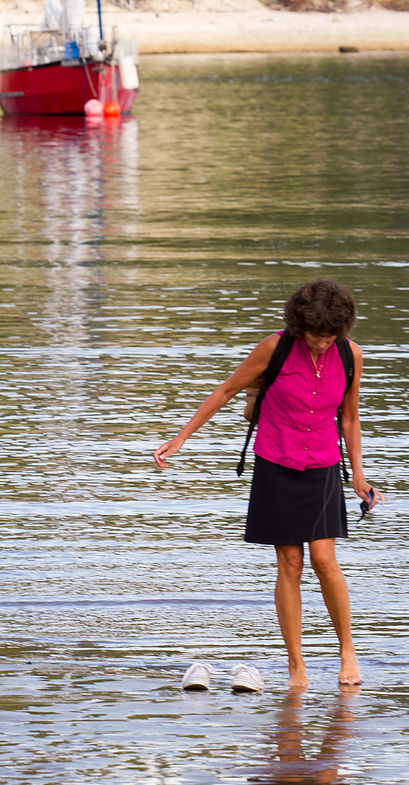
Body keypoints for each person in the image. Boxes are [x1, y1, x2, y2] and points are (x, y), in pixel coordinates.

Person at [153, 278, 383, 689]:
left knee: (325, 559)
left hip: (325, 465)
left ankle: (348, 653)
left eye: (330, 336)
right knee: (290, 564)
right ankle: (297, 666)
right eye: (315, 336)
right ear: (299, 326)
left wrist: (359, 477)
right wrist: (181, 438)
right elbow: (226, 390)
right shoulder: (274, 348)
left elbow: (349, 417)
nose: (321, 344)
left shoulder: (350, 355)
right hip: (276, 463)